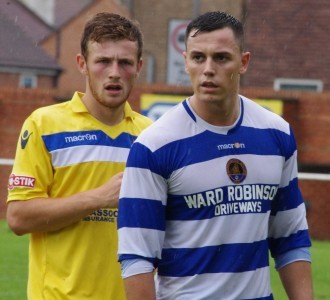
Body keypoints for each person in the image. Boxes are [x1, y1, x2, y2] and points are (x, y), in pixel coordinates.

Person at [117, 11, 313, 300]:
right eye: (198, 58)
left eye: (221, 58)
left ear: (243, 62)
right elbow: (137, 257)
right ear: (186, 61)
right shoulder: (154, 145)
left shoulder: (277, 134)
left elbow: (290, 238)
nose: (208, 69)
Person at [6, 12, 152, 299]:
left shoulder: (151, 136)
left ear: (138, 67)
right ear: (82, 64)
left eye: (124, 63)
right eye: (103, 61)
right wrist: (99, 198)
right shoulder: (44, 125)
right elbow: (19, 217)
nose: (114, 72)